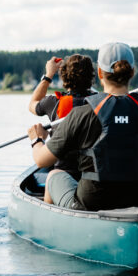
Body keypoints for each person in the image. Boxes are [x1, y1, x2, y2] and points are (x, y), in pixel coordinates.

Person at [26, 42, 138, 211]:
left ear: (100, 73)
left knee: (53, 174)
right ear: (132, 72)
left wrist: (37, 139)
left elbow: (41, 160)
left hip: (93, 201)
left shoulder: (81, 113)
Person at [27, 54, 97, 203]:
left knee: (52, 175)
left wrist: (48, 75)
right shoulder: (102, 103)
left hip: (64, 175)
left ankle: (49, 208)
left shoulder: (53, 103)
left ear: (64, 78)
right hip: (95, 177)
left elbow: (33, 104)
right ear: (92, 77)